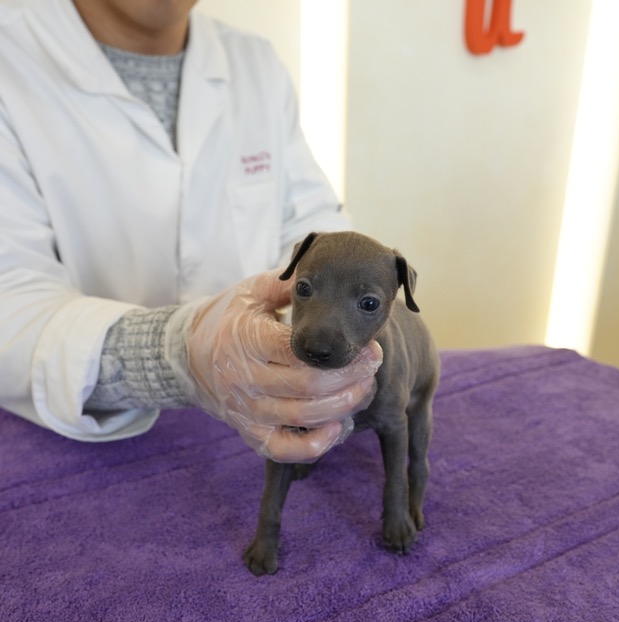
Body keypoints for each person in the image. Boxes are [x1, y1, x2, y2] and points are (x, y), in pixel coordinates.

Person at [0, 0, 382, 463]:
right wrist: (176, 354)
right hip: (66, 449)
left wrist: (298, 347)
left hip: (259, 428)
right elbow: (10, 304)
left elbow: (315, 232)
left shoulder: (255, 64)